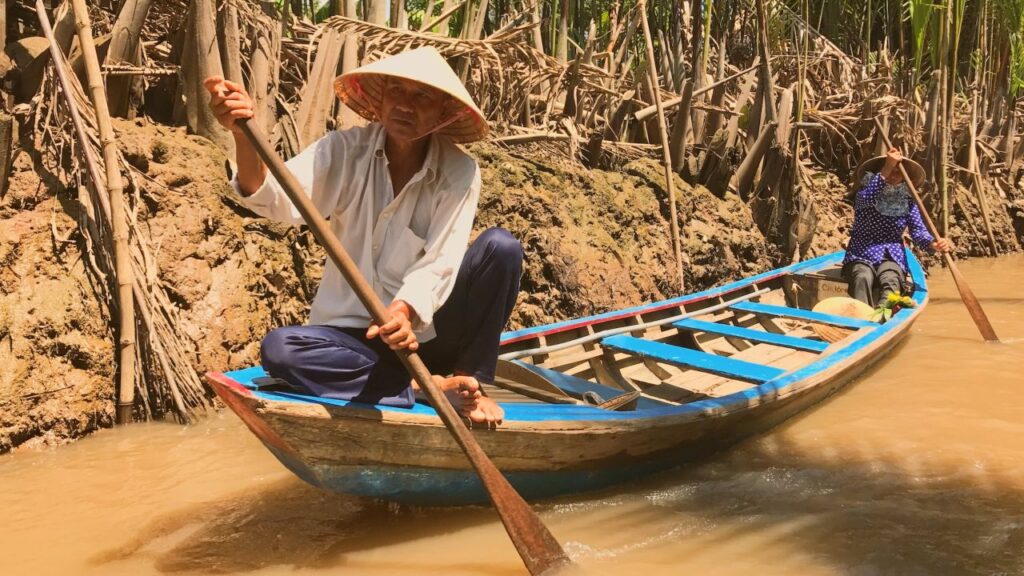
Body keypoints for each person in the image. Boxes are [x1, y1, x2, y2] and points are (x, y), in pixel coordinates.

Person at [204, 47, 512, 425]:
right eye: (396, 91)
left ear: (443, 113)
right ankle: (417, 388)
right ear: (380, 99)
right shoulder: (345, 152)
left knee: (501, 248)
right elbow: (274, 199)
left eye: (422, 97)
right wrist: (243, 136)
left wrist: (404, 311)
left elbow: (441, 261)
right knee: (279, 349)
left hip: (426, 335)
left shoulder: (459, 171)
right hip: (354, 345)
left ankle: (470, 380)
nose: (405, 106)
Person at [843, 147, 953, 307]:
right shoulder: (864, 194)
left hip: (891, 255)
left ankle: (882, 317)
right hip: (861, 252)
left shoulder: (907, 202)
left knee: (891, 279)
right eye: (890, 171)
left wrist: (933, 244)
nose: (893, 176)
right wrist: (888, 166)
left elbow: (918, 232)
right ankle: (861, 317)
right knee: (862, 277)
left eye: (898, 172)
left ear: (904, 178)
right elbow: (867, 198)